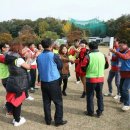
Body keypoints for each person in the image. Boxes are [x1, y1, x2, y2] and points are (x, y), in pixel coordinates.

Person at [37, 38, 67, 126]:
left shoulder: (39, 56)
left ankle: (48, 120)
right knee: (58, 102)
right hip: (53, 81)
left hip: (44, 82)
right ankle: (58, 120)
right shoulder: (54, 55)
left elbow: (39, 68)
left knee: (46, 102)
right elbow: (60, 66)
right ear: (50, 46)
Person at [2, 39, 32, 126]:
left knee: (13, 100)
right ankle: (17, 120)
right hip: (18, 83)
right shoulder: (18, 59)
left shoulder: (8, 55)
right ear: (18, 47)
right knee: (17, 102)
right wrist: (28, 58)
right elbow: (28, 67)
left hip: (11, 81)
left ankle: (15, 118)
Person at [82, 41, 109, 117]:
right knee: (99, 95)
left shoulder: (88, 56)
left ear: (89, 48)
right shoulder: (103, 55)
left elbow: (83, 67)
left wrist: (88, 70)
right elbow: (106, 66)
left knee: (90, 96)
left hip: (90, 79)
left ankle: (90, 112)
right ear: (97, 47)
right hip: (100, 78)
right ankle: (100, 111)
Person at [110, 39, 130, 111]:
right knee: (121, 88)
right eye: (119, 46)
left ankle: (127, 104)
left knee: (125, 89)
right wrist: (112, 53)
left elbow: (125, 57)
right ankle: (122, 100)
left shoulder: (128, 51)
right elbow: (115, 58)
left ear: (126, 45)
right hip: (123, 73)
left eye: (121, 46)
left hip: (129, 73)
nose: (120, 47)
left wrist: (116, 52)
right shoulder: (120, 51)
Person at [0, 42, 12, 115]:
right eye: (7, 47)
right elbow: (11, 61)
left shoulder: (6, 55)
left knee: (10, 92)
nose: (9, 48)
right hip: (6, 77)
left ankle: (8, 105)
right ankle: (9, 109)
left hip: (8, 77)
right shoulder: (1, 56)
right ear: (3, 48)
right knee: (10, 93)